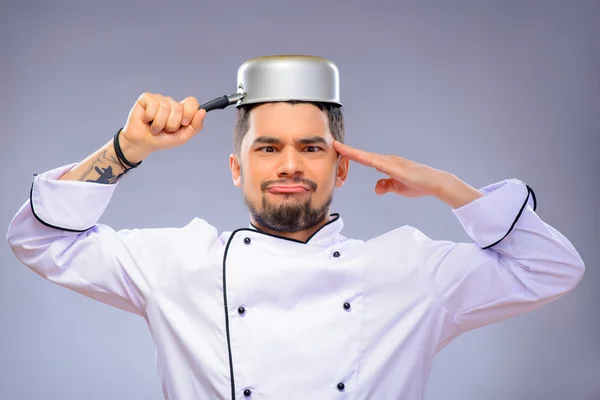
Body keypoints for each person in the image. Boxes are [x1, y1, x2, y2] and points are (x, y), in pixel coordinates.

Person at [6, 89, 585, 399]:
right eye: (267, 148)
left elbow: (551, 267)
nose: (289, 165)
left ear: (344, 168)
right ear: (236, 168)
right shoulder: (177, 264)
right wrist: (126, 149)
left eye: (312, 148)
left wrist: (447, 188)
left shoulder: (411, 268)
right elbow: (39, 238)